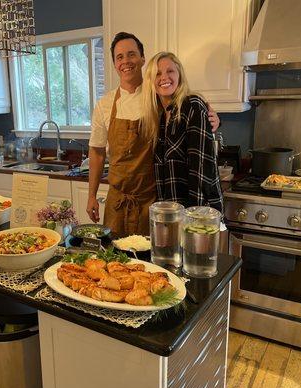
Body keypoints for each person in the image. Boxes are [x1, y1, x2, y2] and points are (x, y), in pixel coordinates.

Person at [87, 32, 220, 236]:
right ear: (114, 63)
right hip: (117, 201)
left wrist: (213, 119)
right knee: (114, 258)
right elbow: (96, 152)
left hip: (152, 200)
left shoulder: (158, 97)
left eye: (131, 54)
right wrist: (91, 195)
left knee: (148, 261)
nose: (125, 61)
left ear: (142, 58)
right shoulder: (104, 104)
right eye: (119, 57)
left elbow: (190, 114)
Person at [142, 51, 223, 212]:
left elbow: (201, 168)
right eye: (157, 74)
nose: (164, 77)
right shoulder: (158, 118)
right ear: (151, 81)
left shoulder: (192, 105)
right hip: (171, 213)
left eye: (170, 71)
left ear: (180, 75)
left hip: (198, 214)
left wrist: (194, 218)